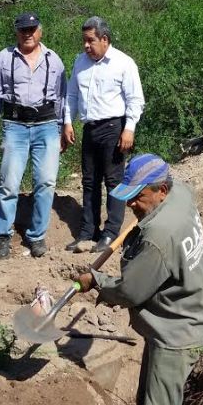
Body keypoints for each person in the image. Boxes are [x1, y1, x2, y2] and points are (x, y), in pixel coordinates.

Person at [75, 154, 203, 405]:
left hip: (176, 334)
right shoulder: (180, 193)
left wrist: (96, 280)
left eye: (138, 196)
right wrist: (145, 214)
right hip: (185, 315)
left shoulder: (158, 236)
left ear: (161, 190)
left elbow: (129, 291)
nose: (130, 203)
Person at [0, 12, 66, 259]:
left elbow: (62, 97)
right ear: (17, 32)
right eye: (23, 29)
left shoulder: (54, 60)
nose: (27, 34)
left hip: (47, 125)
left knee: (46, 182)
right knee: (8, 184)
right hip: (15, 125)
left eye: (32, 29)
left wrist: (63, 129)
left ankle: (36, 236)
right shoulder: (4, 58)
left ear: (40, 31)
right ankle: (3, 235)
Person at [63, 16, 145, 253]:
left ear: (104, 39)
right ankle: (88, 232)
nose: (86, 46)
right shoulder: (80, 62)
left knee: (114, 182)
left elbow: (135, 99)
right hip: (90, 128)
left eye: (90, 41)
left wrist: (129, 128)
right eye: (84, 41)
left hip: (113, 128)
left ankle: (110, 233)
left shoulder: (123, 63)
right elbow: (71, 96)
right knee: (89, 182)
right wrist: (68, 122)